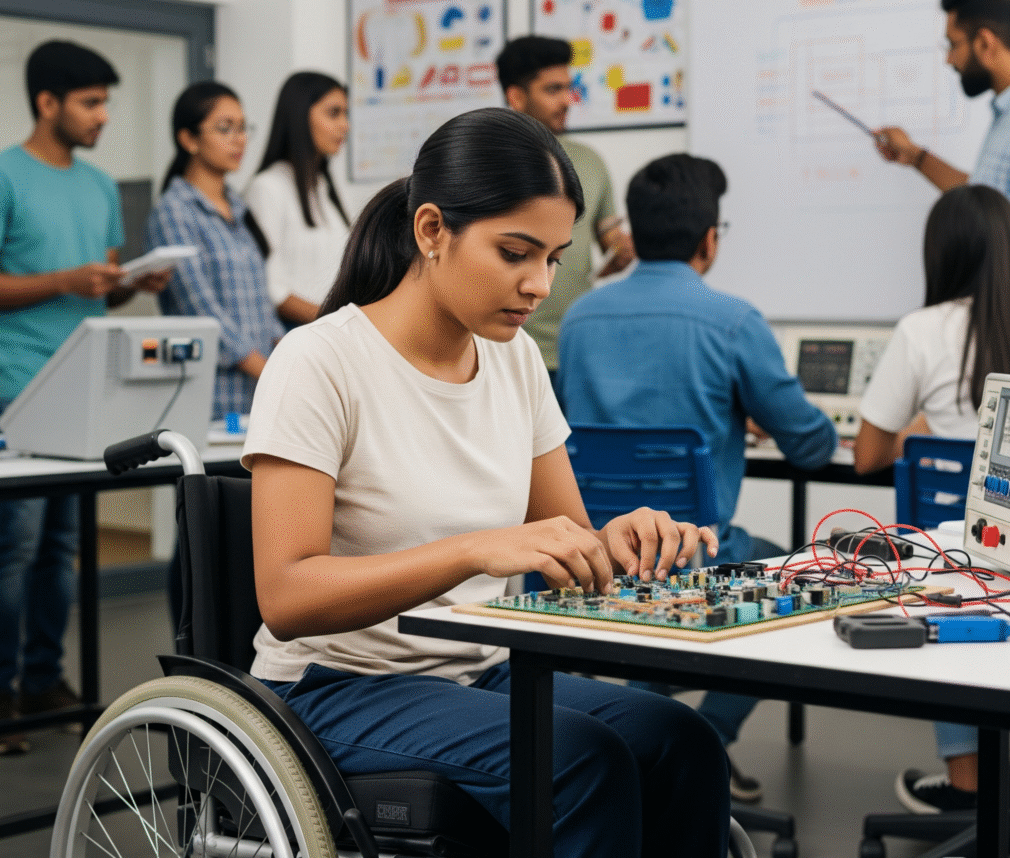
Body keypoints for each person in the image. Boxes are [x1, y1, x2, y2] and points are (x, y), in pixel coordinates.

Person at [240, 107, 731, 856]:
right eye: (514, 252)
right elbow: (287, 594)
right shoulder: (318, 362)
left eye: (555, 258)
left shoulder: (514, 360)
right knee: (581, 762)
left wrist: (616, 542)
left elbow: (571, 555)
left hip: (478, 674)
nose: (538, 284)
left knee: (679, 738)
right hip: (335, 685)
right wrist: (474, 551)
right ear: (432, 230)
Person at [557, 153, 838, 800]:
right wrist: (750, 412)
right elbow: (814, 447)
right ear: (709, 239)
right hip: (693, 561)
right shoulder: (733, 321)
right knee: (802, 579)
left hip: (598, 558)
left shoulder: (578, 321)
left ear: (633, 231)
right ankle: (700, 739)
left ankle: (646, 737)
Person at [0, 40, 169, 755]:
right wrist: (66, 280)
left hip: (80, 387)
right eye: (91, 103)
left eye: (105, 102)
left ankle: (42, 679)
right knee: (14, 545)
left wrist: (132, 283)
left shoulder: (96, 186)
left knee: (62, 545)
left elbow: (106, 281)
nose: (103, 116)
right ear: (47, 103)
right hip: (11, 387)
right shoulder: (0, 177)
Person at [854, 184, 1010, 815]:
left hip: (950, 565)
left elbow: (868, 454)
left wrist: (918, 428)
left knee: (946, 568)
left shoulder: (923, 330)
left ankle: (967, 783)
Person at [495, 35, 635, 377]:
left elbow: (609, 238)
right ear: (516, 96)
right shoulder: (488, 160)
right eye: (552, 90)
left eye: (568, 88)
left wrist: (622, 248)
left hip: (577, 351)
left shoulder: (589, 162)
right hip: (503, 351)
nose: (566, 100)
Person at [147, 81, 284, 421]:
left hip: (259, 393)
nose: (239, 139)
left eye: (242, 128)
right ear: (189, 139)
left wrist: (287, 356)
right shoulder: (175, 211)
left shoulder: (237, 207)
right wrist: (272, 373)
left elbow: (260, 305)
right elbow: (202, 312)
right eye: (225, 129)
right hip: (212, 399)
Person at [875, 0, 1010, 197]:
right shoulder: (1003, 118)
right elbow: (986, 204)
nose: (949, 59)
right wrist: (914, 155)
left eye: (953, 44)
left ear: (985, 44)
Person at [245, 72, 350, 327]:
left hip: (331, 330)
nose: (345, 125)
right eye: (333, 113)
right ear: (300, 116)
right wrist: (337, 323)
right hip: (299, 335)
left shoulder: (322, 188)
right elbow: (272, 288)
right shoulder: (267, 188)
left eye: (346, 114)